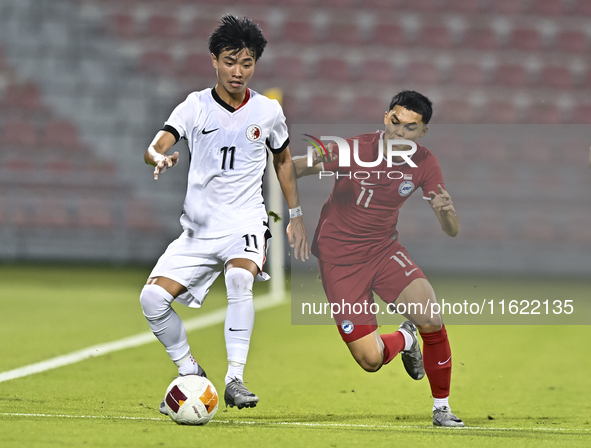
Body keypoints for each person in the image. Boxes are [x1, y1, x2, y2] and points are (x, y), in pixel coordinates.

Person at [140, 15, 309, 413]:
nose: (238, 71)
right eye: (230, 61)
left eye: (247, 63)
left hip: (245, 222)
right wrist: (157, 157)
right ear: (214, 60)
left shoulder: (268, 111)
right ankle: (191, 373)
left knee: (238, 277)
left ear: (255, 65)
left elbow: (283, 161)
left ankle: (234, 378)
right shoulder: (195, 106)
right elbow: (157, 144)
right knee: (151, 300)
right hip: (198, 230)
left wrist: (296, 214)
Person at [293, 91, 464, 427]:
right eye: (395, 122)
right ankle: (406, 338)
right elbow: (291, 168)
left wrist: (447, 213)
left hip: (384, 252)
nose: (399, 133)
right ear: (386, 117)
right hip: (339, 261)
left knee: (430, 314)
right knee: (370, 360)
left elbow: (452, 229)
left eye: (410, 128)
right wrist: (293, 202)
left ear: (422, 132)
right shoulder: (353, 149)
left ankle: (441, 407)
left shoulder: (425, 163)